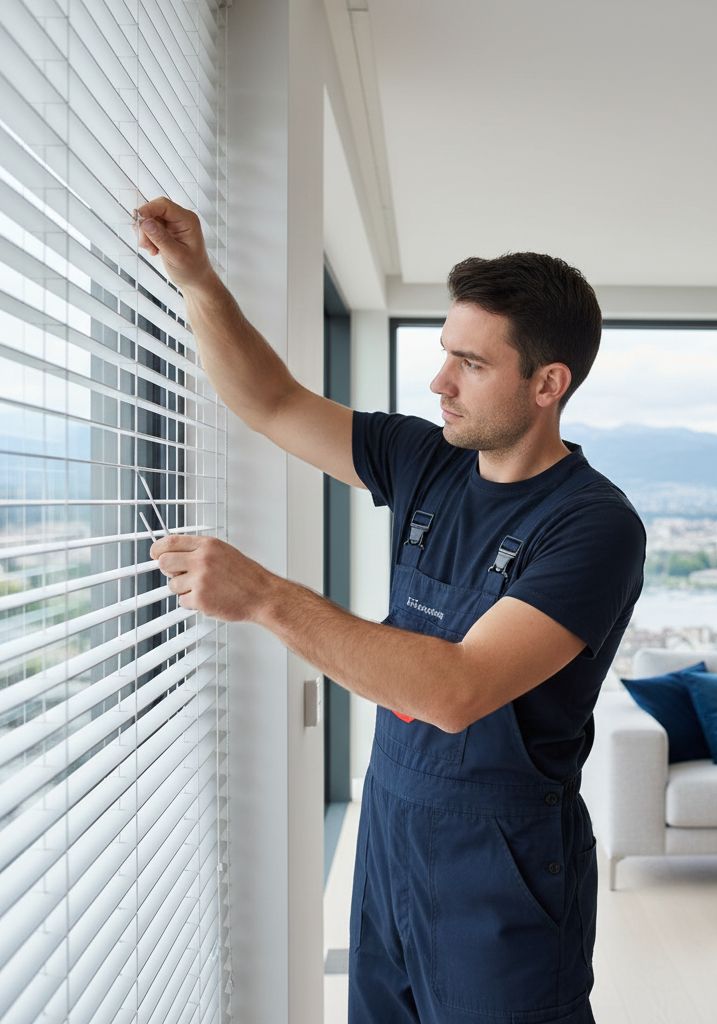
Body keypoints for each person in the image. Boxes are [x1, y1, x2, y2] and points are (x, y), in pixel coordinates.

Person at [135, 196, 646, 1023]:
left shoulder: (593, 527)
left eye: (472, 365)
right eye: (445, 354)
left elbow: (457, 690)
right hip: (392, 834)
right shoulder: (427, 461)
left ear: (549, 384)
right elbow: (269, 402)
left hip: (503, 865)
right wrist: (196, 279)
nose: (440, 381)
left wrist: (265, 596)